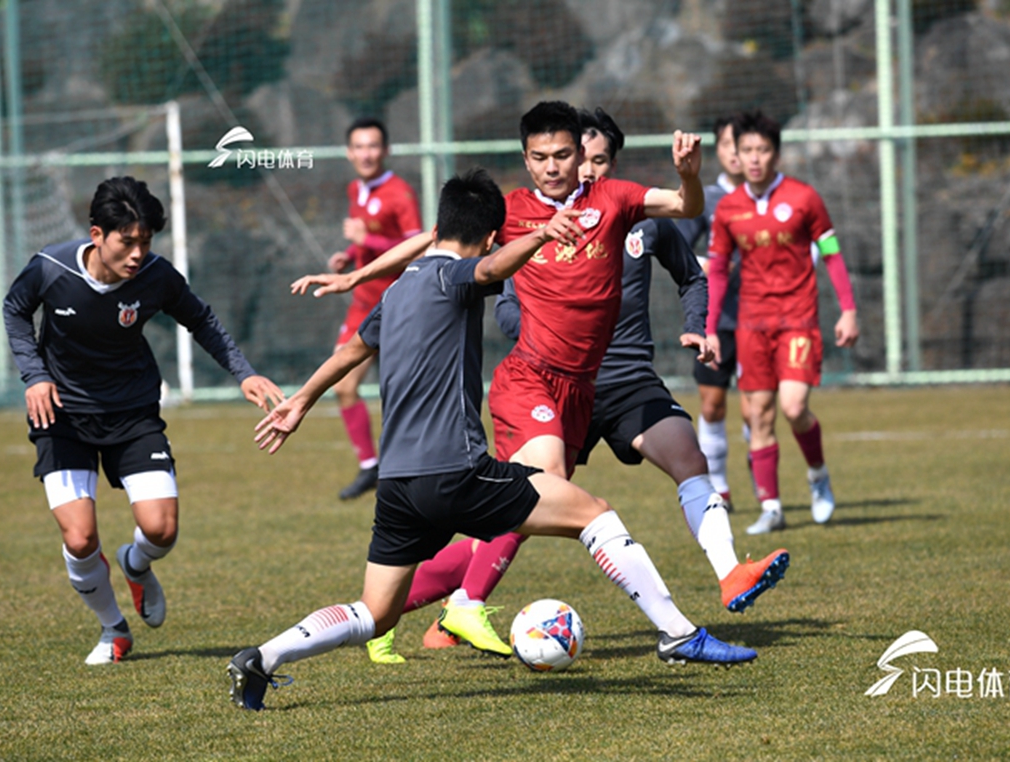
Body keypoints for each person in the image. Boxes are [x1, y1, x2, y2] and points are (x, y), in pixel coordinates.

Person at [227, 169, 757, 710]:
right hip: (454, 470)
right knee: (594, 514)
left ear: (437, 229)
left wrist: (301, 400)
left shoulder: (399, 289)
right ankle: (678, 635)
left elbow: (350, 353)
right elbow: (490, 269)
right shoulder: (456, 275)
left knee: (375, 613)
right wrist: (541, 233)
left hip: (398, 482)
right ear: (487, 238)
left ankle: (263, 657)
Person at [359, 108, 789, 664]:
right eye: (546, 157)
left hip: (614, 381)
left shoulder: (623, 204)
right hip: (538, 381)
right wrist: (357, 277)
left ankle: (728, 575)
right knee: (540, 499)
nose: (568, 168)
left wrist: (688, 178)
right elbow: (437, 241)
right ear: (528, 159)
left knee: (674, 461)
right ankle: (445, 606)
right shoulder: (516, 212)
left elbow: (687, 231)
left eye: (579, 157)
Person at [2, 176, 283, 664]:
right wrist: (35, 376)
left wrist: (245, 373)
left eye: (146, 242)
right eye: (127, 241)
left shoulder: (156, 275)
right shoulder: (50, 268)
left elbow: (201, 319)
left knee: (161, 530)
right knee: (80, 538)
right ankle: (113, 629)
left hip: (132, 411)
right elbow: (15, 310)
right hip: (62, 414)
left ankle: (135, 564)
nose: (137, 254)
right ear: (97, 235)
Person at [703, 111, 860, 535]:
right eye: (747, 150)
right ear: (737, 155)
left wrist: (848, 309)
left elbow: (832, 253)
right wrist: (710, 328)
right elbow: (717, 271)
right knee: (758, 415)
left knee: (793, 407)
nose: (754, 158)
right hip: (750, 325)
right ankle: (771, 507)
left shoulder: (804, 198)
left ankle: (817, 473)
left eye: (763, 150)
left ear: (776, 153)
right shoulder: (728, 209)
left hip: (797, 320)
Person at [326, 117, 423, 500]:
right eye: (359, 147)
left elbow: (417, 247)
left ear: (386, 150)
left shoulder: (400, 193)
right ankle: (370, 467)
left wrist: (368, 239)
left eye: (372, 146)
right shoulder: (356, 188)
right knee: (343, 385)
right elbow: (367, 241)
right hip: (363, 305)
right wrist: (349, 255)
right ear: (349, 153)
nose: (366, 154)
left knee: (404, 398)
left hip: (399, 307)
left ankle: (411, 472)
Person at [675, 115, 747, 511]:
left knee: (757, 409)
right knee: (712, 405)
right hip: (719, 323)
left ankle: (768, 495)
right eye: (727, 145)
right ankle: (719, 486)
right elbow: (679, 250)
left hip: (762, 319)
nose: (736, 153)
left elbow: (811, 246)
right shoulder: (709, 198)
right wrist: (711, 265)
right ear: (718, 150)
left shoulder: (775, 197)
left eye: (744, 145)